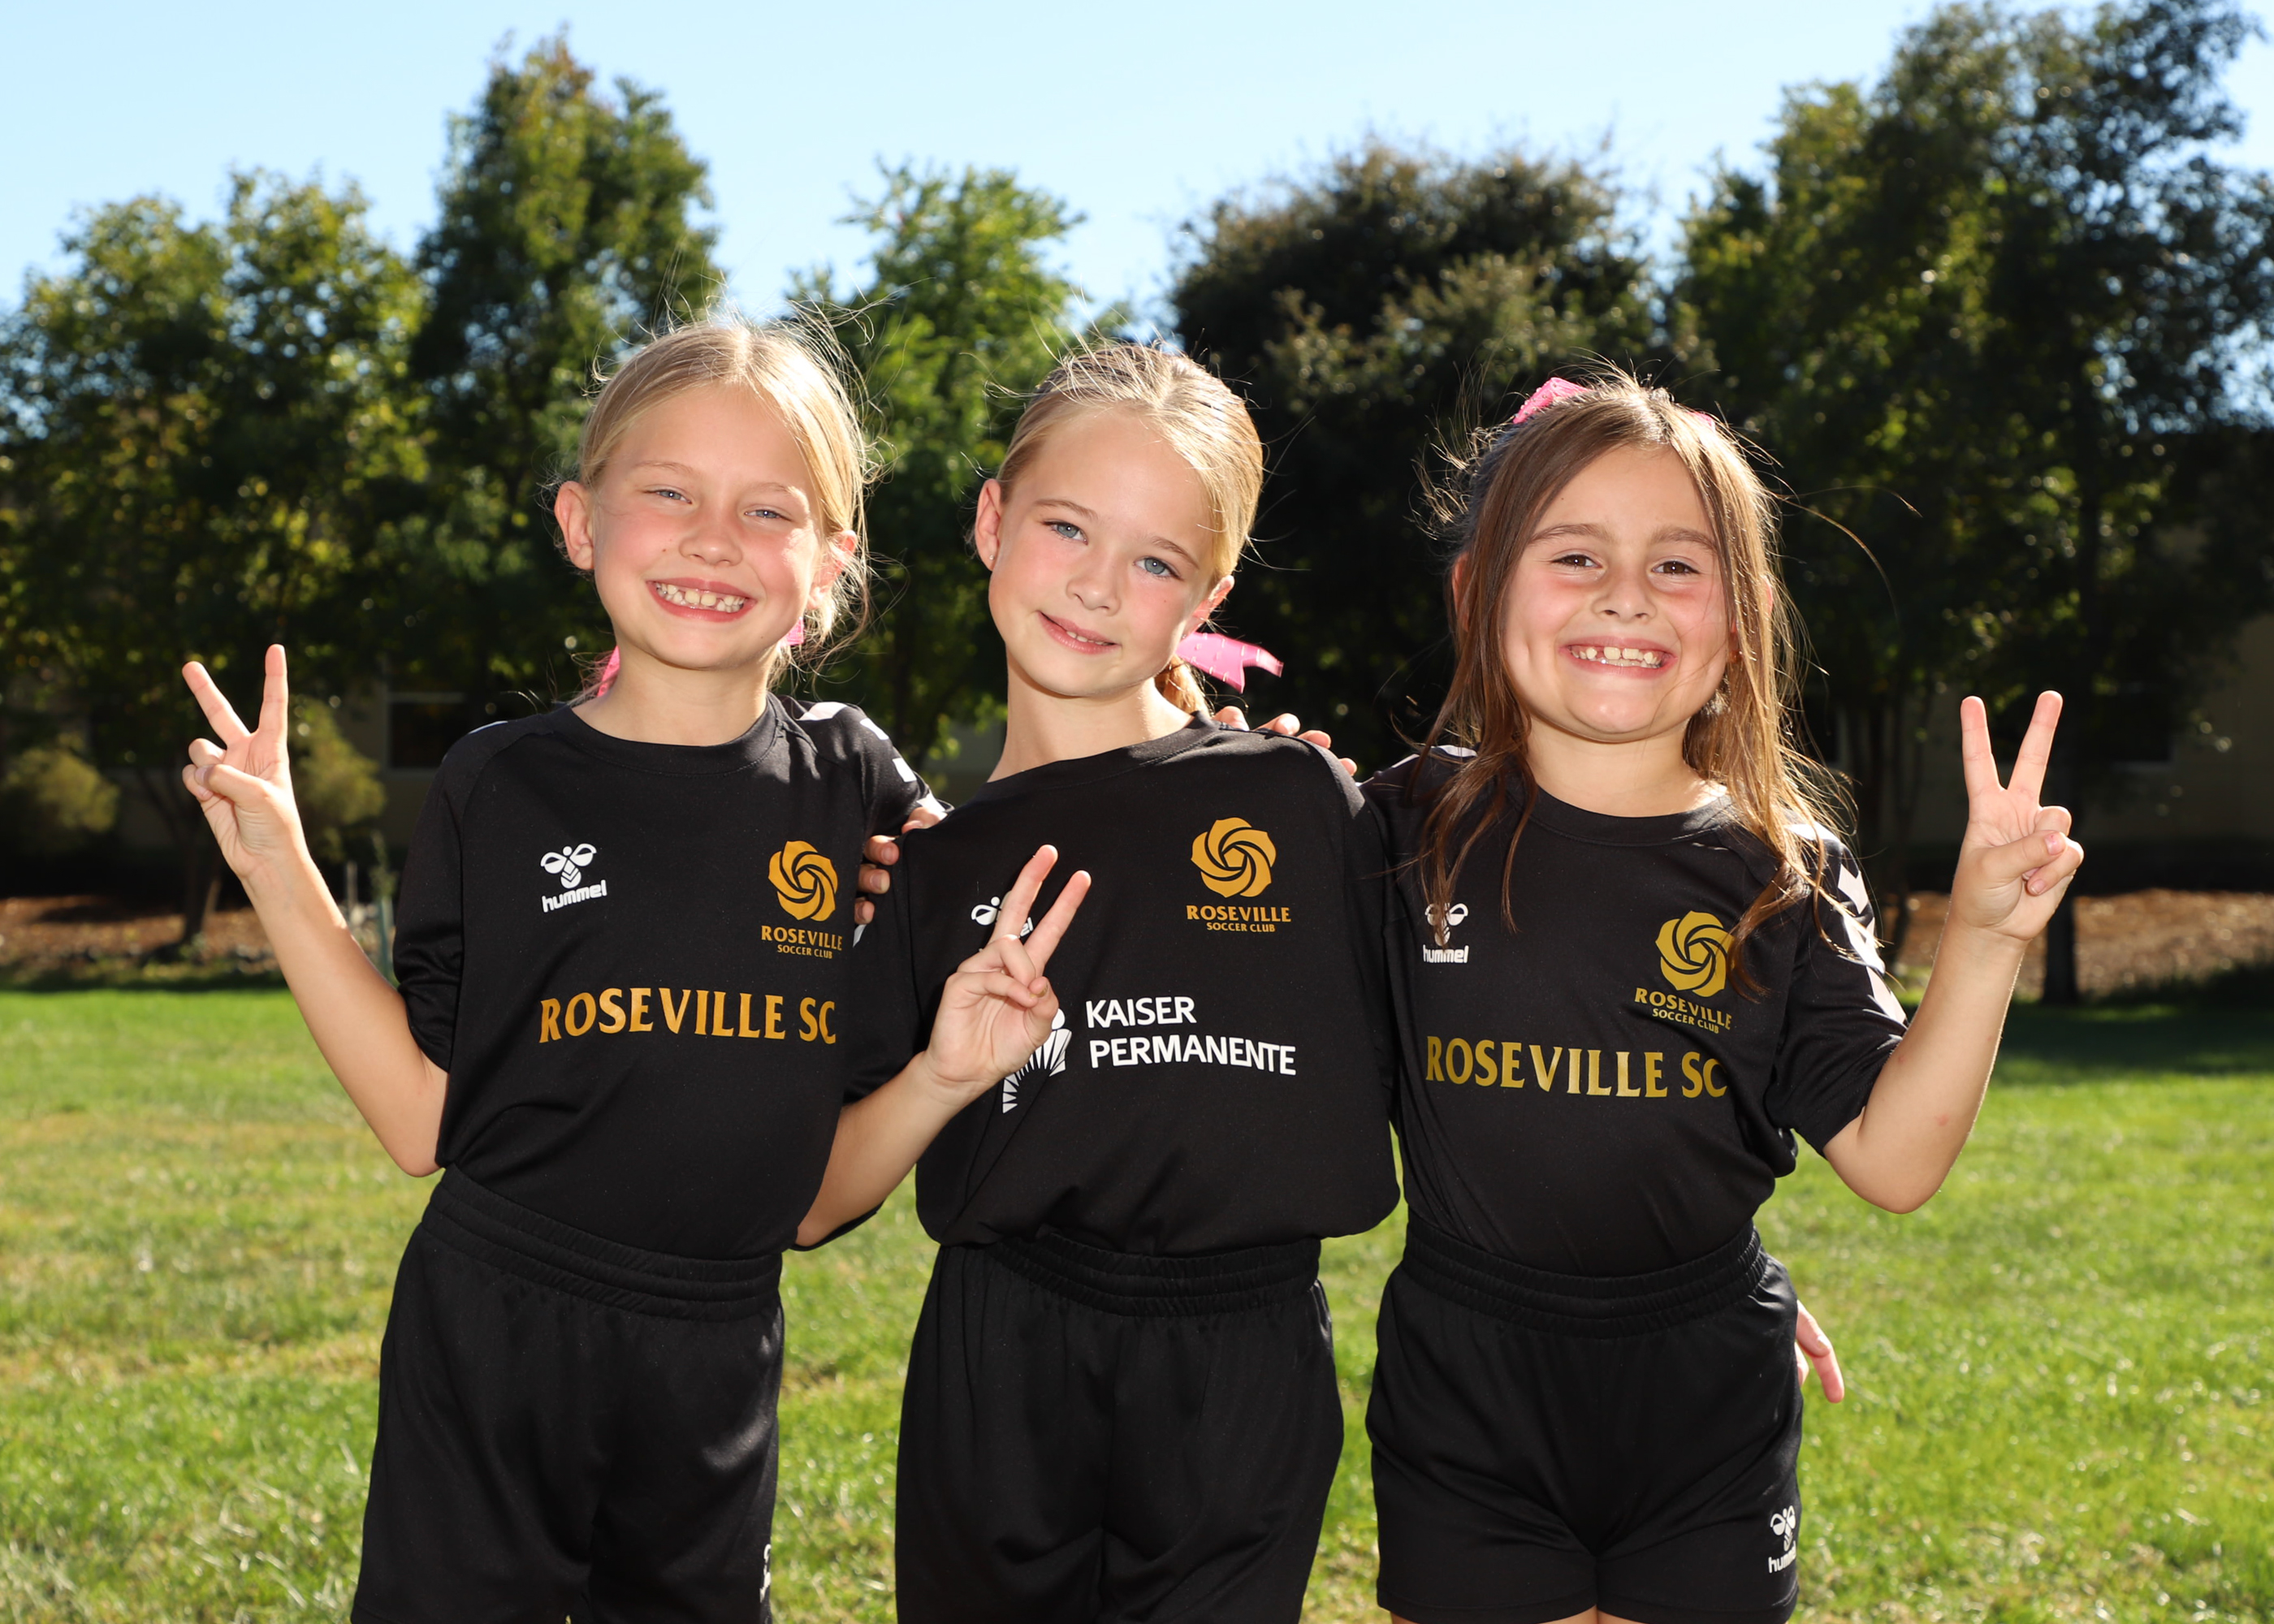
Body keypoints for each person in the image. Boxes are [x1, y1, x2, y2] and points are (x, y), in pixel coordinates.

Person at [179, 318, 939, 1624]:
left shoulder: (853, 776)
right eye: (669, 493)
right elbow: (421, 1121)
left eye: (767, 510)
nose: (713, 540)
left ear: (829, 561)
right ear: (581, 522)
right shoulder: (500, 782)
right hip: (494, 1321)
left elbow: (1023, 858)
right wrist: (279, 867)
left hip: (718, 1341)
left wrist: (1221, 759)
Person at [1361, 371, 2085, 1624]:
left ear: (1741, 621)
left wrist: (1982, 939)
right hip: (1465, 1382)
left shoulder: (1784, 871)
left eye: (1678, 565)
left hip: (1708, 1397)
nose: (1626, 594)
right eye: (1574, 554)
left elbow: (1895, 1163)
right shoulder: (1391, 829)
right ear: (1477, 594)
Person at [798, 342, 1401, 1623]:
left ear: (1210, 597)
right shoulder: (929, 870)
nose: (1095, 584)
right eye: (1067, 526)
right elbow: (812, 1201)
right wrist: (941, 1077)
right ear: (991, 521)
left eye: (1156, 562)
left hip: (1244, 1367)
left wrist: (1662, 1275)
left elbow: (1476, 1031)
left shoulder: (1296, 798)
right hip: (1002, 1364)